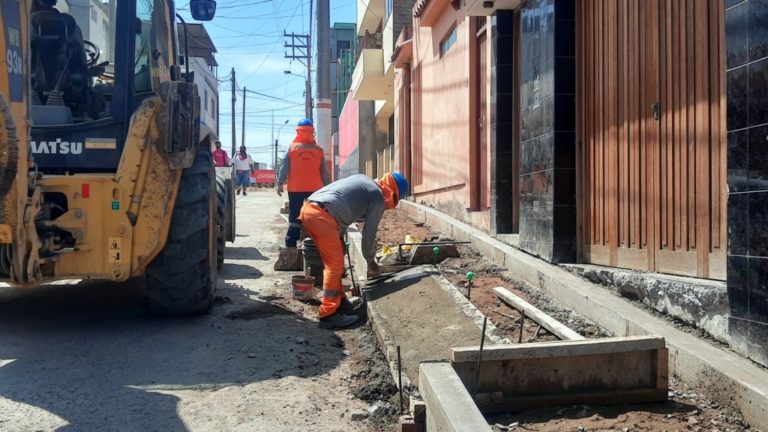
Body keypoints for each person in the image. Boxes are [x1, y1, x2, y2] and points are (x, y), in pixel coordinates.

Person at [299, 172, 409, 329]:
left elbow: (341, 204)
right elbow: (368, 236)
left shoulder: (364, 181)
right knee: (335, 266)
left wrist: (340, 239)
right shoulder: (377, 197)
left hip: (310, 209)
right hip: (322, 216)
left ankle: (341, 302)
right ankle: (328, 314)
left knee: (333, 263)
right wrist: (371, 263)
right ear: (393, 194)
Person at [276, 118, 330, 249]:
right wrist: (328, 188)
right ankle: (314, 244)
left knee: (295, 215)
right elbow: (324, 172)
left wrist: (280, 183)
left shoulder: (292, 148)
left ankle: (291, 245)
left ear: (298, 131)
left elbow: (284, 167)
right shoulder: (319, 150)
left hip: (295, 189)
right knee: (315, 216)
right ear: (312, 132)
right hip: (315, 190)